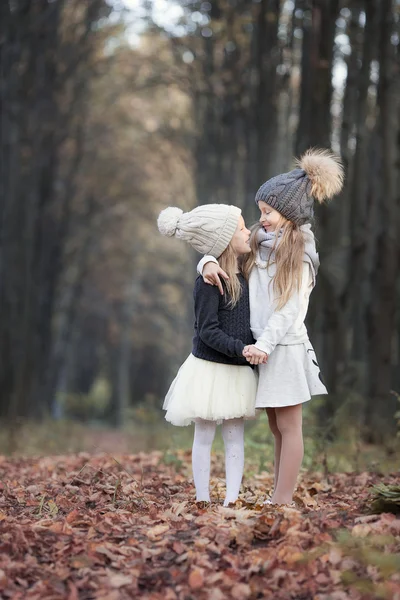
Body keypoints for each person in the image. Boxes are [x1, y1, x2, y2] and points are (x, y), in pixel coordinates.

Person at [197, 149, 344, 506]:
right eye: (260, 211)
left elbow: (289, 310)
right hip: (263, 349)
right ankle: (278, 494)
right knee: (276, 427)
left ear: (289, 213)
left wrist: (264, 344)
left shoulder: (300, 255)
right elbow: (224, 250)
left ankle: (281, 500)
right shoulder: (261, 246)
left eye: (267, 212)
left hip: (284, 348)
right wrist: (206, 262)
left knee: (290, 426)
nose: (261, 219)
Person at [157, 204, 264, 506]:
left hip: (237, 371)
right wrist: (240, 349)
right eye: (241, 228)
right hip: (209, 369)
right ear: (225, 238)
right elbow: (207, 331)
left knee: (234, 438)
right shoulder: (208, 282)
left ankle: (231, 501)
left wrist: (252, 348)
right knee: (204, 436)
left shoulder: (245, 274)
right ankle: (202, 499)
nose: (248, 232)